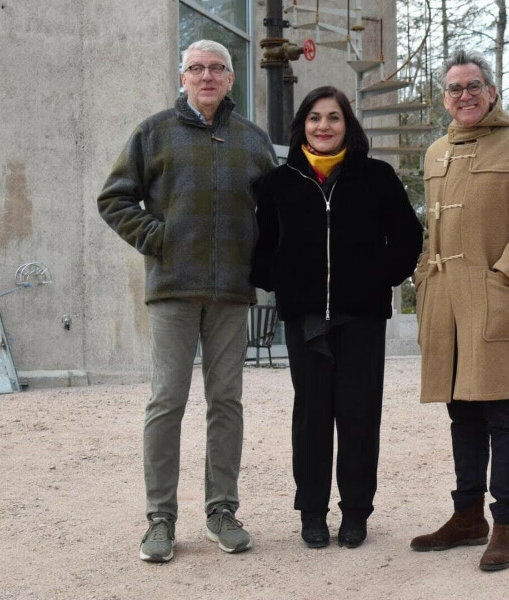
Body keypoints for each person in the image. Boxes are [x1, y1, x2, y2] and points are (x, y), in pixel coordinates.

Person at [97, 40, 276, 563]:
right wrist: (159, 238)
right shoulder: (154, 132)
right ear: (183, 78)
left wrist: (260, 261)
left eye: (217, 68)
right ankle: (160, 518)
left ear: (231, 78)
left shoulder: (252, 140)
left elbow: (275, 214)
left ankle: (222, 510)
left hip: (231, 293)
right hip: (173, 288)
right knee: (166, 401)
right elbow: (114, 198)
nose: (206, 76)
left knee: (226, 402)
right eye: (196, 68)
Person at [409, 49, 509, 571]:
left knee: (503, 413)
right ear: (444, 98)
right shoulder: (435, 153)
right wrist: (424, 273)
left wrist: (503, 274)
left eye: (474, 85)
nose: (465, 95)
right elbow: (433, 229)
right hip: (445, 303)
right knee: (462, 412)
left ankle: (506, 525)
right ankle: (467, 516)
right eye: (455, 88)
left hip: (495, 300)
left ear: (492, 92)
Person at [251, 86, 423, 549]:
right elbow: (260, 247)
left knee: (359, 414)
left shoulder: (377, 176)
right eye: (314, 117)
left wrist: (378, 279)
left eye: (333, 117)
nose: (323, 126)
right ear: (301, 126)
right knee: (311, 417)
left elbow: (408, 237)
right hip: (304, 318)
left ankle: (356, 513)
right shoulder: (278, 182)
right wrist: (282, 282)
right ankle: (312, 513)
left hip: (361, 317)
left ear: (348, 125)